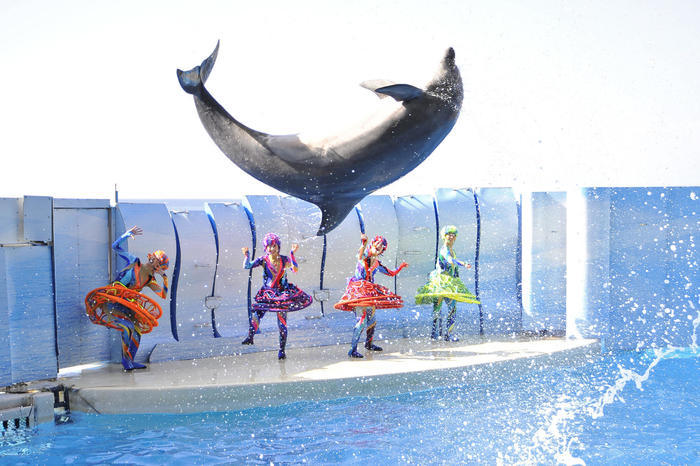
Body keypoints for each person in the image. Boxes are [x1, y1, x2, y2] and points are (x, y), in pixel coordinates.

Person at [89, 226, 169, 371]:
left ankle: (130, 360)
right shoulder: (135, 262)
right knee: (128, 327)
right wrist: (126, 235)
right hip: (111, 301)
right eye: (154, 259)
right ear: (150, 257)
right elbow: (115, 247)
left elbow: (163, 295)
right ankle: (126, 362)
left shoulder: (150, 280)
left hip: (125, 306)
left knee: (137, 330)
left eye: (158, 263)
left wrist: (164, 279)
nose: (154, 263)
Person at [335, 233, 408, 358]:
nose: (379, 247)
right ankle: (352, 349)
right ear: (372, 244)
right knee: (361, 321)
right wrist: (363, 243)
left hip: (370, 292)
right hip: (359, 292)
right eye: (377, 243)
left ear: (382, 251)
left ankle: (369, 344)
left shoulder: (377, 264)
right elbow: (360, 253)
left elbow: (391, 273)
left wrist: (400, 267)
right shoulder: (363, 257)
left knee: (372, 320)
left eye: (381, 246)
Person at [241, 233, 313, 360]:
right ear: (265, 248)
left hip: (281, 294)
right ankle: (250, 337)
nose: (271, 249)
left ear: (278, 246)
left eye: (273, 246)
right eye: (268, 246)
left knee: (282, 323)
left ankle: (282, 350)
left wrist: (292, 254)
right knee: (256, 314)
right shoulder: (263, 260)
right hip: (267, 293)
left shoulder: (284, 259)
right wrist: (246, 255)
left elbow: (295, 269)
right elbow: (247, 266)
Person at [415, 225, 479, 341]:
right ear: (444, 236)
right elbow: (450, 260)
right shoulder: (444, 250)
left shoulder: (452, 250)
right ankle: (434, 334)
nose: (451, 237)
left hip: (450, 284)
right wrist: (463, 263)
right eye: (449, 235)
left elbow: (453, 267)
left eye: (453, 235)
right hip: (440, 283)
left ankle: (449, 334)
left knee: (452, 308)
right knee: (437, 309)